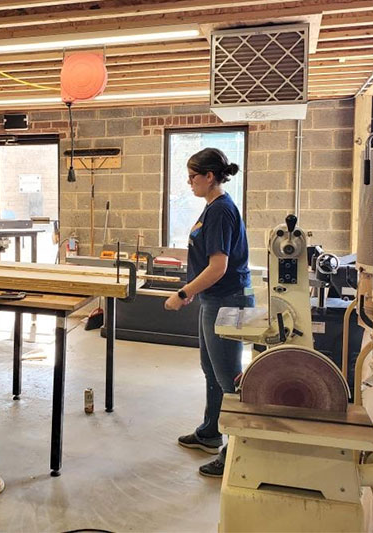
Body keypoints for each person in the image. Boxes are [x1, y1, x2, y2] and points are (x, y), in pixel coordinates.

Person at [164, 148, 254, 477]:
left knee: (229, 378)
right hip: (215, 299)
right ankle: (210, 431)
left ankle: (235, 452)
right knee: (211, 369)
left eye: (193, 176)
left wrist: (184, 292)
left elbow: (219, 266)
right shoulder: (213, 208)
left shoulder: (220, 211)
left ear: (210, 176)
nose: (189, 183)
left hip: (227, 301)